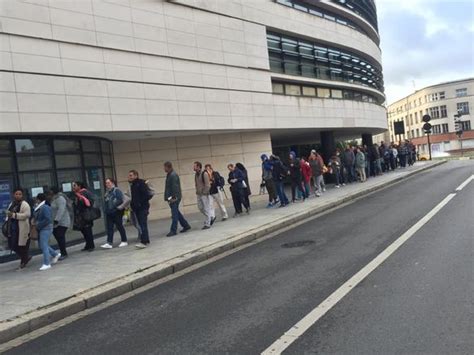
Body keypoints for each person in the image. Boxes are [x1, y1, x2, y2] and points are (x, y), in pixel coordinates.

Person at [5, 188, 31, 269]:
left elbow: (27, 215)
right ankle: (26, 258)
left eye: (20, 194)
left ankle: (23, 261)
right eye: (16, 194)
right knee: (12, 245)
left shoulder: (24, 204)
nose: (18, 196)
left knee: (22, 246)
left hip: (21, 228)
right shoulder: (12, 204)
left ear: (22, 195)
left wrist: (14, 215)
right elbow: (8, 213)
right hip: (12, 229)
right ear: (13, 195)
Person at [34, 193, 61, 271]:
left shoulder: (44, 207)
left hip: (46, 228)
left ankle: (46, 263)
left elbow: (47, 219)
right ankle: (55, 254)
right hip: (42, 228)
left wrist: (38, 224)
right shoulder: (39, 207)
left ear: (38, 199)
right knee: (43, 245)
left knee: (44, 246)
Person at [164, 161, 191, 236]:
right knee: (176, 213)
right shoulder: (170, 175)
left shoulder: (173, 175)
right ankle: (185, 225)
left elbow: (175, 188)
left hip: (174, 198)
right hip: (171, 197)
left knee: (174, 214)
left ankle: (173, 230)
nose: (164, 169)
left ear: (168, 167)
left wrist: (173, 198)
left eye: (164, 167)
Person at [101, 178, 128, 249]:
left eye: (108, 183)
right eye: (106, 183)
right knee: (109, 228)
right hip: (109, 213)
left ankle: (124, 240)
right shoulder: (107, 192)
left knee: (119, 226)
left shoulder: (117, 190)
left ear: (112, 183)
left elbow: (119, 200)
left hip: (116, 212)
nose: (107, 184)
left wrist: (113, 206)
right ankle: (109, 242)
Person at [128, 170, 151, 249]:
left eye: (131, 175)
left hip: (142, 208)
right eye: (129, 175)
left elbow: (146, 195)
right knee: (142, 224)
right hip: (137, 208)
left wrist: (140, 203)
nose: (129, 177)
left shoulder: (140, 183)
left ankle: (143, 241)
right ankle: (146, 239)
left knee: (142, 224)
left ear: (136, 175)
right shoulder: (133, 185)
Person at [48, 187, 71, 259]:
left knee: (60, 236)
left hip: (62, 221)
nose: (49, 193)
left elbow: (61, 209)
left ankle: (64, 253)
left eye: (50, 191)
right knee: (57, 236)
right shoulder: (53, 198)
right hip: (56, 222)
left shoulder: (60, 198)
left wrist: (56, 219)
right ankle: (62, 251)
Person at [72, 181, 95, 252]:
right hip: (80, 216)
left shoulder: (85, 192)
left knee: (88, 230)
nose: (73, 187)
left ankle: (91, 245)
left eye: (75, 185)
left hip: (86, 214)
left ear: (79, 186)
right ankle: (88, 244)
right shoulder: (76, 194)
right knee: (83, 231)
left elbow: (91, 202)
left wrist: (83, 200)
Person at [194, 161, 215, 229]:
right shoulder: (196, 175)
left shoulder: (204, 174)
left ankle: (207, 223)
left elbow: (208, 185)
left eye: (195, 166)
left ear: (199, 167)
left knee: (206, 208)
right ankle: (211, 217)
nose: (193, 167)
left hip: (204, 194)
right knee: (200, 208)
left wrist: (205, 192)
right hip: (199, 194)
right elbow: (197, 184)